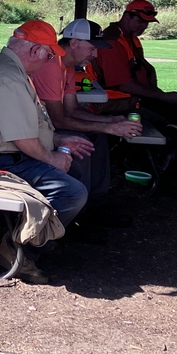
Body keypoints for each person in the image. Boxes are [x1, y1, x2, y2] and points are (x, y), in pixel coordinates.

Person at [0, 21, 92, 283]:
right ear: (35, 51)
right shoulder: (9, 77)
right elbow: (23, 139)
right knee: (71, 192)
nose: (50, 60)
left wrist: (59, 139)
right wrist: (53, 157)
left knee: (76, 170)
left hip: (9, 156)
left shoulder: (13, 70)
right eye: (50, 54)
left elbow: (30, 129)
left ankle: (45, 235)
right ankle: (16, 250)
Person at [31, 18, 142, 235]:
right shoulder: (52, 65)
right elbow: (58, 120)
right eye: (92, 48)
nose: (95, 54)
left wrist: (111, 121)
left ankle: (93, 204)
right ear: (73, 43)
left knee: (96, 138)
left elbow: (72, 110)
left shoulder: (69, 66)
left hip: (50, 125)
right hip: (37, 130)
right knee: (82, 141)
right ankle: (75, 215)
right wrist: (108, 127)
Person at [95, 0, 177, 123]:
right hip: (116, 106)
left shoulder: (130, 39)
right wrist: (163, 97)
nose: (144, 26)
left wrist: (163, 96)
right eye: (140, 21)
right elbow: (124, 85)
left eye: (147, 23)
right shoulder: (112, 42)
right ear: (126, 16)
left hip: (135, 101)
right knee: (174, 121)